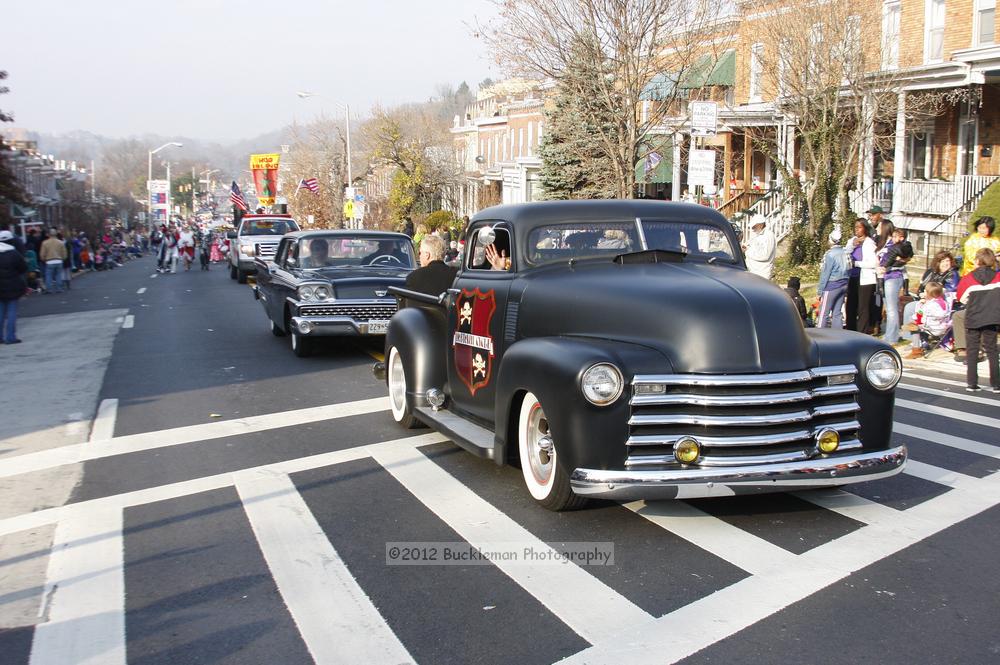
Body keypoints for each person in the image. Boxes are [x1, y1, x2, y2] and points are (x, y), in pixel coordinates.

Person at [956, 247, 1000, 391]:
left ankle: (972, 383)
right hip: (992, 317)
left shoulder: (969, 278)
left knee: (973, 350)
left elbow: (961, 298)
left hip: (974, 317)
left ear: (977, 261)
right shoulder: (998, 277)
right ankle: (996, 384)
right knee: (992, 350)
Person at [878, 227, 913, 345]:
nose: (892, 239)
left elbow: (904, 257)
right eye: (892, 236)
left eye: (895, 237)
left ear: (901, 238)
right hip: (886, 276)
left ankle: (892, 338)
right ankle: (890, 334)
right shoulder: (891, 245)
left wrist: (886, 266)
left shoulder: (903, 246)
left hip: (893, 277)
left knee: (892, 309)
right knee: (889, 308)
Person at [844, 220, 878, 333]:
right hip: (853, 276)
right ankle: (850, 329)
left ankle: (862, 331)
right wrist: (852, 245)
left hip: (866, 279)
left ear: (865, 229)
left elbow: (874, 263)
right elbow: (845, 253)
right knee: (850, 305)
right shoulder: (852, 240)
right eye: (855, 227)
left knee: (863, 307)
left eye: (859, 227)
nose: (857, 229)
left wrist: (856, 264)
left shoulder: (869, 243)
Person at [403, 235, 457, 306]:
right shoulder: (455, 276)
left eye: (420, 253)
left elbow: (410, 311)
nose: (419, 256)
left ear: (427, 255)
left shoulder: (414, 277)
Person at [904, 282, 952, 359]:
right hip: (942, 327)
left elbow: (919, 314)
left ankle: (916, 349)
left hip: (931, 328)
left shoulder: (929, 305)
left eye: (925, 291)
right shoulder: (943, 302)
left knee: (912, 323)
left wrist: (920, 304)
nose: (924, 292)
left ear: (929, 294)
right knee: (916, 322)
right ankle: (924, 342)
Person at [816, 228, 851, 329]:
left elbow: (825, 273)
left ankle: (819, 335)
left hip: (832, 285)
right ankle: (838, 335)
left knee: (824, 313)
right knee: (837, 312)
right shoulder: (846, 252)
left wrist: (820, 290)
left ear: (831, 240)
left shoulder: (829, 254)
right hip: (844, 284)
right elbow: (849, 269)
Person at [0, 230, 27, 344]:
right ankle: (10, 336)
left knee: (0, 312)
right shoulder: (14, 253)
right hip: (13, 284)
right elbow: (23, 267)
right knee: (12, 311)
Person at [743, 216, 776, 280]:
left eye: (754, 226)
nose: (753, 228)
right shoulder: (757, 235)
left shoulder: (768, 236)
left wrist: (747, 251)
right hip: (753, 271)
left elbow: (765, 256)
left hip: (762, 273)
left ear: (760, 225)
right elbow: (751, 246)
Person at [39, 228, 67, 293]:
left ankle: (49, 289)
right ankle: (59, 288)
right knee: (58, 275)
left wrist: (43, 259)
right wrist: (63, 258)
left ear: (49, 234)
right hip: (59, 260)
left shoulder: (45, 243)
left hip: (49, 261)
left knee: (48, 276)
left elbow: (42, 254)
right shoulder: (60, 242)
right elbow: (64, 253)